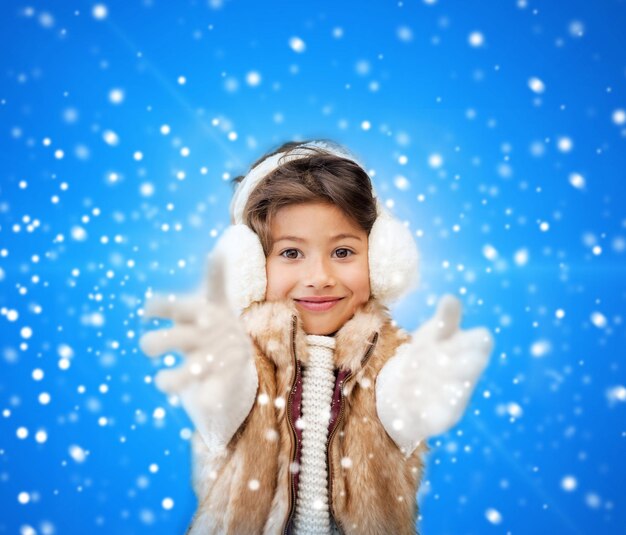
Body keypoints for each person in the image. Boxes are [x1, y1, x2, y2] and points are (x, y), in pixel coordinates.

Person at [140, 140, 493, 535]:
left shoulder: (389, 362)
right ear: (251, 265)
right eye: (291, 254)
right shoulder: (243, 357)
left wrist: (425, 384)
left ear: (380, 260)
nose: (320, 277)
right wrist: (215, 366)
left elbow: (402, 402)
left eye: (343, 252)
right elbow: (221, 406)